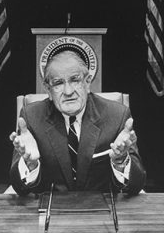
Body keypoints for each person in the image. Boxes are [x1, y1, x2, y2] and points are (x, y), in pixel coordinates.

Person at [9, 50, 146, 195]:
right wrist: (30, 166)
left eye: (75, 80)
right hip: (50, 210)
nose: (68, 91)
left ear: (87, 82)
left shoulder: (117, 116)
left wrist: (121, 162)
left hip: (101, 210)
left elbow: (136, 185)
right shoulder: (31, 117)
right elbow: (19, 189)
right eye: (58, 83)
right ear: (48, 89)